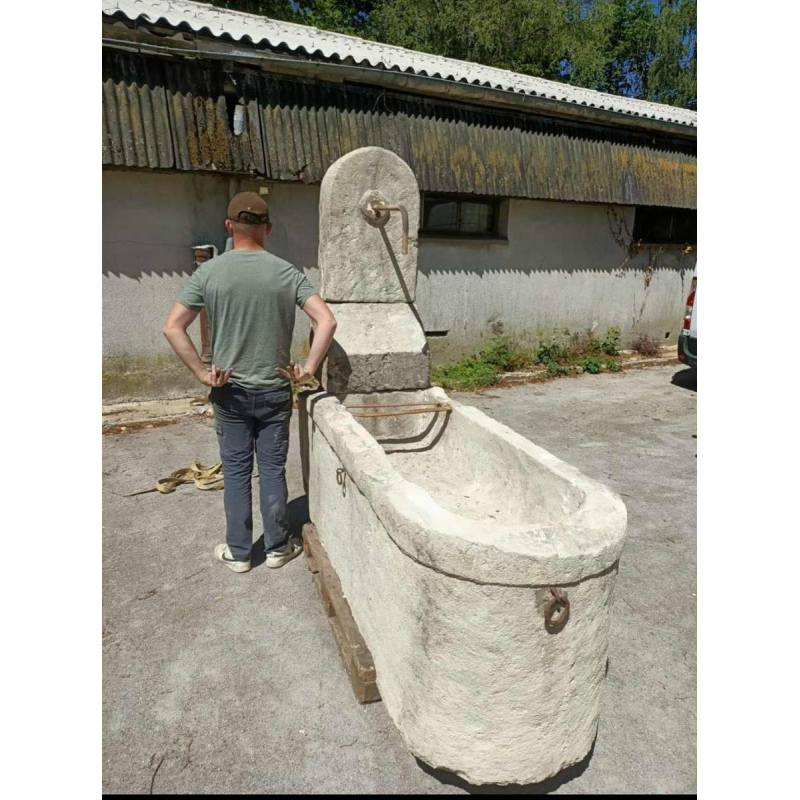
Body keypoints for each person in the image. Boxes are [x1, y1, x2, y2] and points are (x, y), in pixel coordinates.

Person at [163, 191, 337, 573]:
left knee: (237, 471)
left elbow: (173, 327)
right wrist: (307, 368)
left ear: (229, 227)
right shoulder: (288, 273)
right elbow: (326, 320)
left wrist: (201, 373)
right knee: (273, 471)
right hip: (275, 389)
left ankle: (239, 553)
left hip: (229, 392)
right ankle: (277, 548)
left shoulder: (208, 273)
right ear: (268, 229)